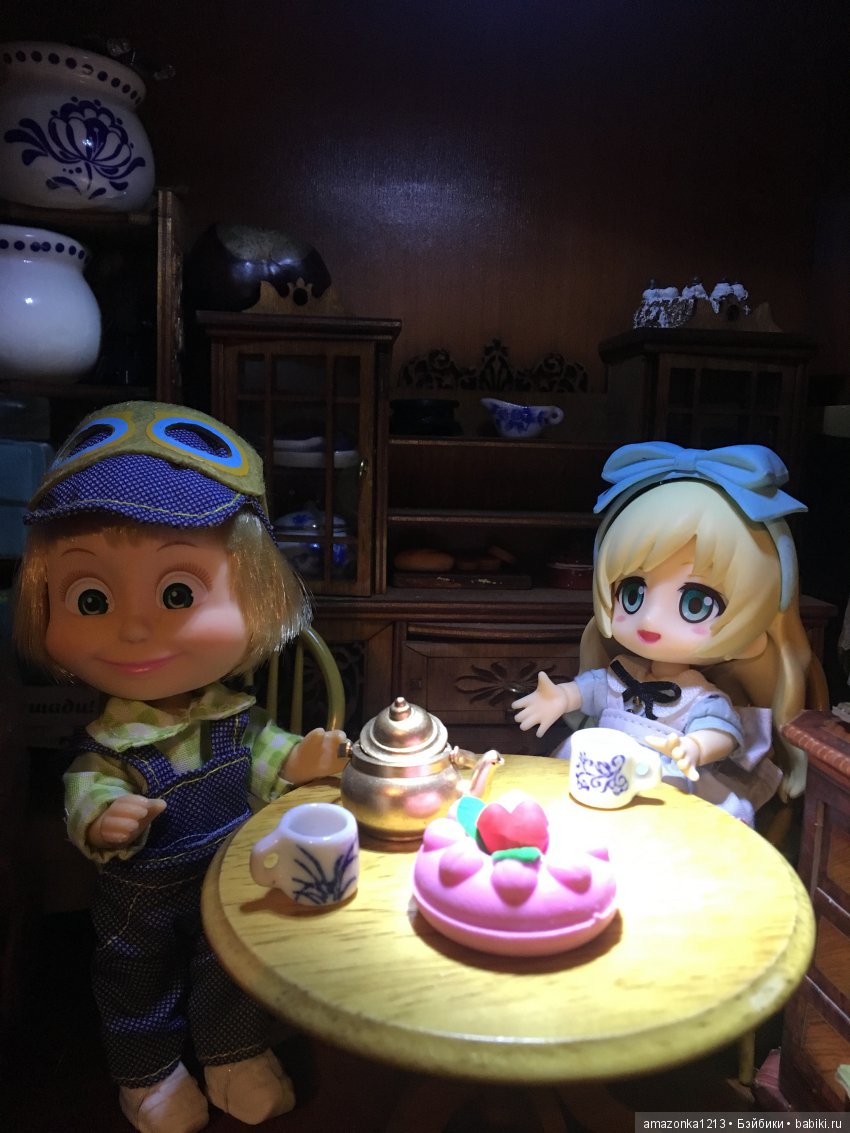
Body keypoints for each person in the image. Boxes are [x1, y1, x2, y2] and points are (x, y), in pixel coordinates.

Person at [13, 401, 346, 1133]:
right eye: (91, 599)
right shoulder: (112, 742)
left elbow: (267, 753)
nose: (134, 629)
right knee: (135, 979)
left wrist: (301, 758)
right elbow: (86, 787)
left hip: (232, 873)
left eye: (177, 594)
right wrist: (106, 816)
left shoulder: (234, 715)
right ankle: (149, 1075)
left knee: (232, 965)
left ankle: (234, 1055)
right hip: (142, 894)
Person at [513, 441, 812, 824]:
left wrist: (695, 748)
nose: (650, 619)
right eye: (633, 594)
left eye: (695, 604)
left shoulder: (701, 697)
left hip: (661, 785)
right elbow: (587, 690)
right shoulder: (621, 674)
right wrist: (559, 698)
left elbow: (720, 732)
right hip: (603, 778)